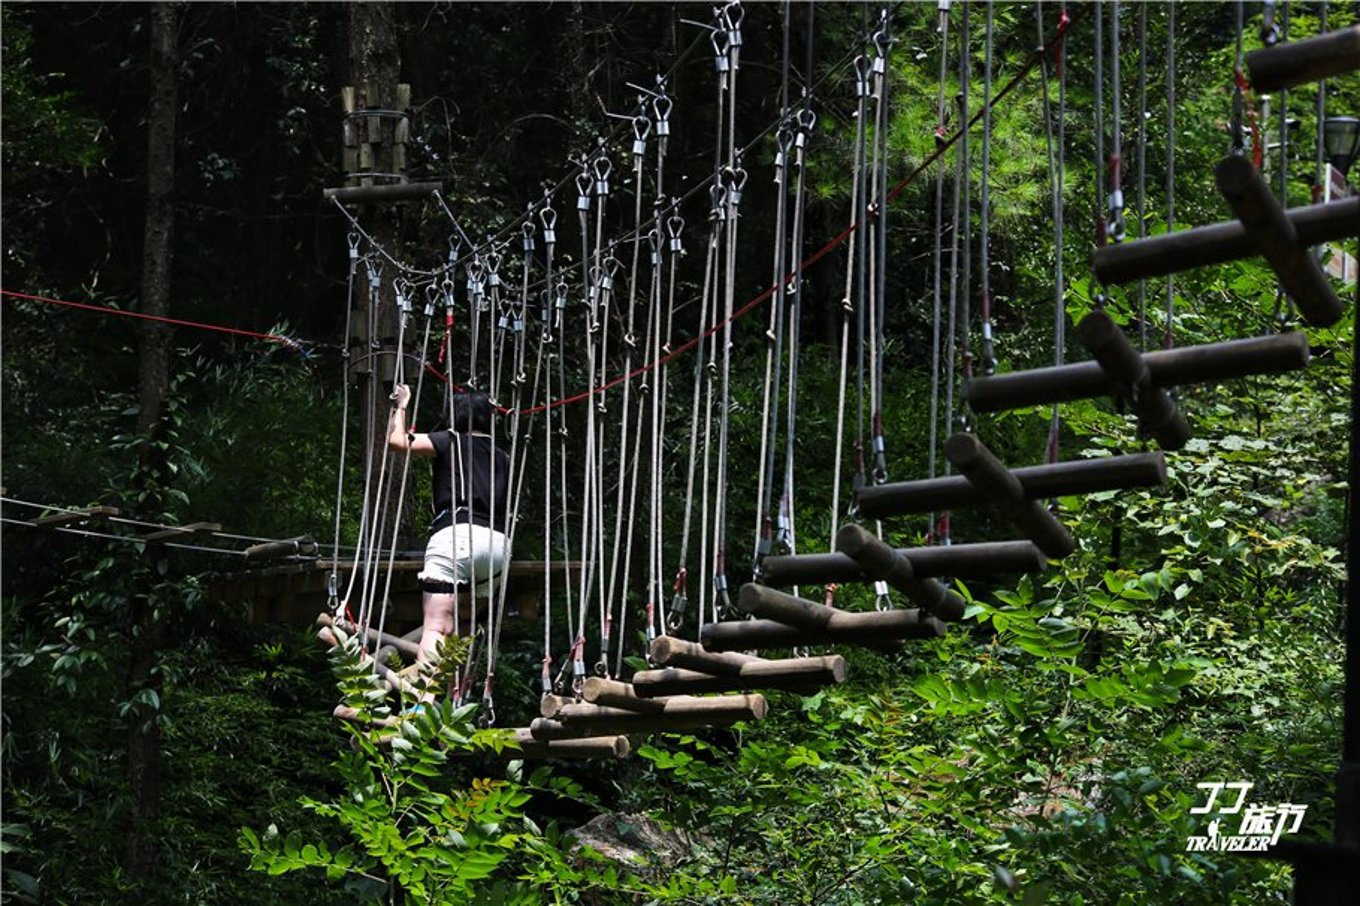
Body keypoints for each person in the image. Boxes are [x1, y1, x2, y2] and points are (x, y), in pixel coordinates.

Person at [388, 384, 512, 675]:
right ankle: (456, 696)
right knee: (464, 625)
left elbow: (397, 441)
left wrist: (402, 406)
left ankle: (423, 702)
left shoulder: (450, 440)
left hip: (457, 537)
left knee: (436, 626)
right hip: (497, 546)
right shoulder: (502, 455)